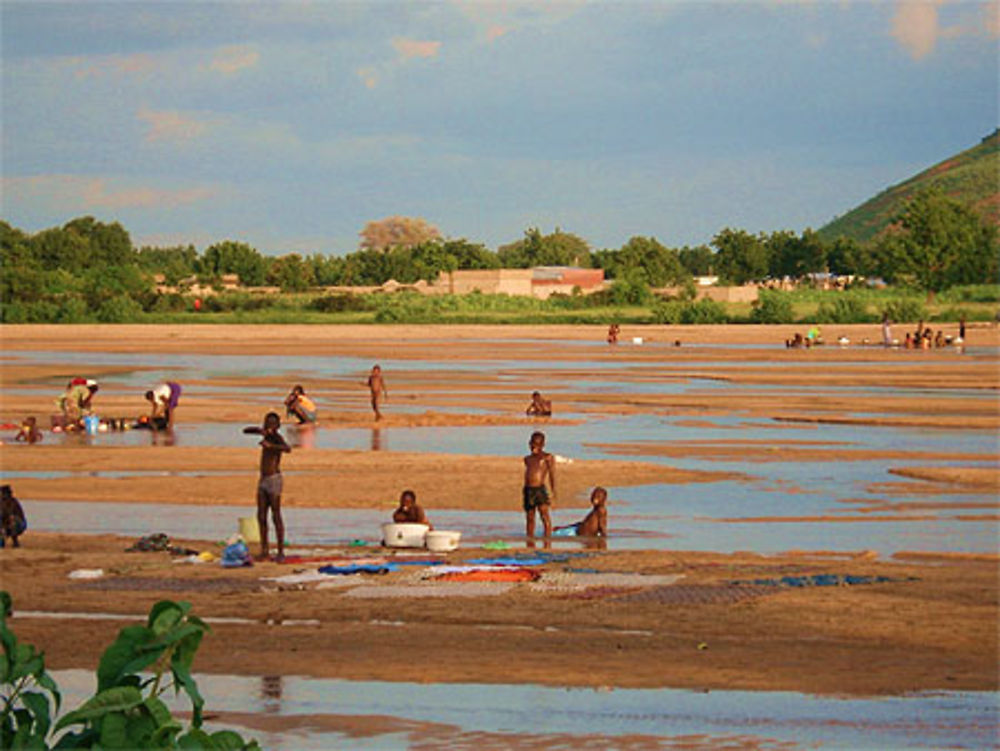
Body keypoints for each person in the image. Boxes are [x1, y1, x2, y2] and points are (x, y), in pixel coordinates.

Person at [243, 412, 291, 561]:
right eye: (267, 423)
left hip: (274, 480)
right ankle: (265, 550)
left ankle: (281, 551)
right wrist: (259, 431)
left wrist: (271, 445)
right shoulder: (266, 435)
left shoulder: (276, 438)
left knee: (276, 514)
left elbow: (287, 448)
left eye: (271, 424)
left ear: (277, 426)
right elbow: (246, 430)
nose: (268, 427)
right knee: (261, 515)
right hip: (263, 479)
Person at [522, 431, 556, 539]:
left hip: (539, 490)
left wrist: (553, 490)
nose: (534, 447)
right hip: (528, 490)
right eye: (532, 444)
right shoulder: (527, 459)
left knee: (544, 514)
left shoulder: (547, 457)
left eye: (537, 445)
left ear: (542, 445)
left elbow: (551, 474)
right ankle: (530, 538)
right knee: (530, 516)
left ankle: (547, 537)